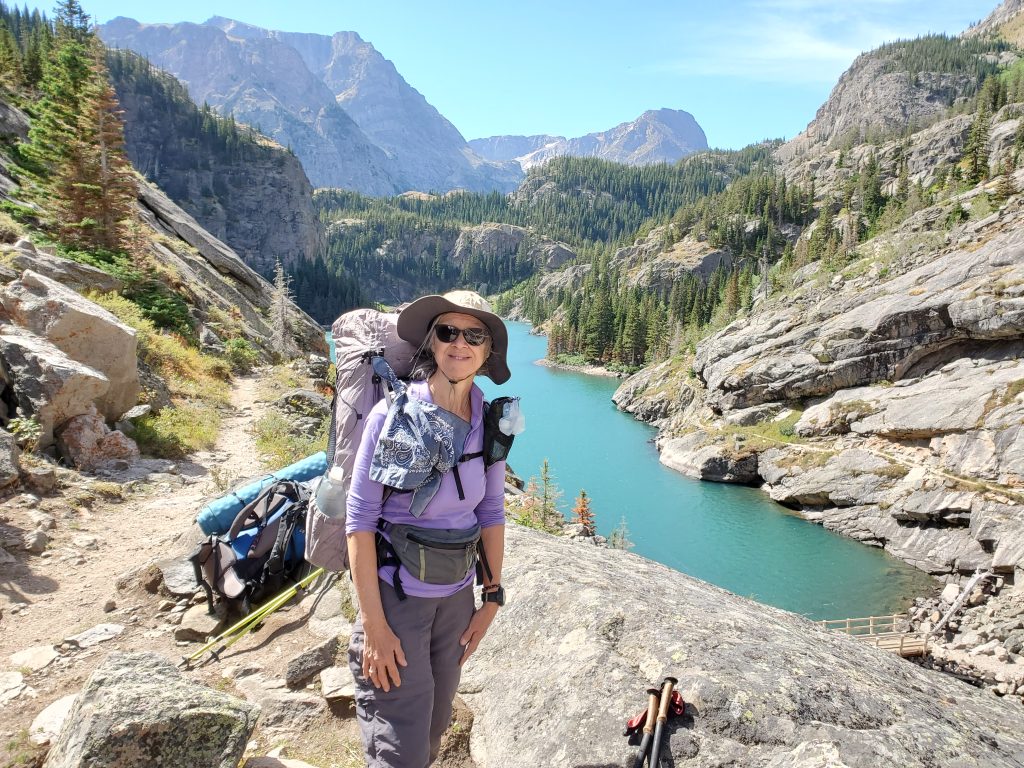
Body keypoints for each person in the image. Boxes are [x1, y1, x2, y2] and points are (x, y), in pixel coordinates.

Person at [345, 290, 510, 768]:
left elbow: (492, 511)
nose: (460, 344)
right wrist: (374, 625)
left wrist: (492, 597)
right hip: (398, 599)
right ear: (432, 344)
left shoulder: (491, 423)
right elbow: (360, 521)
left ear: (487, 351)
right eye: (447, 332)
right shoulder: (390, 417)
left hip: (456, 602)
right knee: (400, 742)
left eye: (474, 335)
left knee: (436, 722)